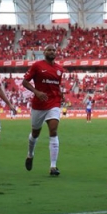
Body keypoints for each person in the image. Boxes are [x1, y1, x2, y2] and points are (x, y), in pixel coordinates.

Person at [21, 44, 64, 176]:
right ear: (44, 52)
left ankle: (53, 166)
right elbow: (25, 82)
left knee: (53, 130)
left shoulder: (59, 69)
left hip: (53, 103)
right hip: (39, 105)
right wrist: (36, 92)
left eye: (53, 50)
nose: (52, 52)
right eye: (49, 50)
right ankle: (30, 154)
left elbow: (57, 86)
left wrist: (60, 94)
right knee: (35, 133)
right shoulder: (37, 66)